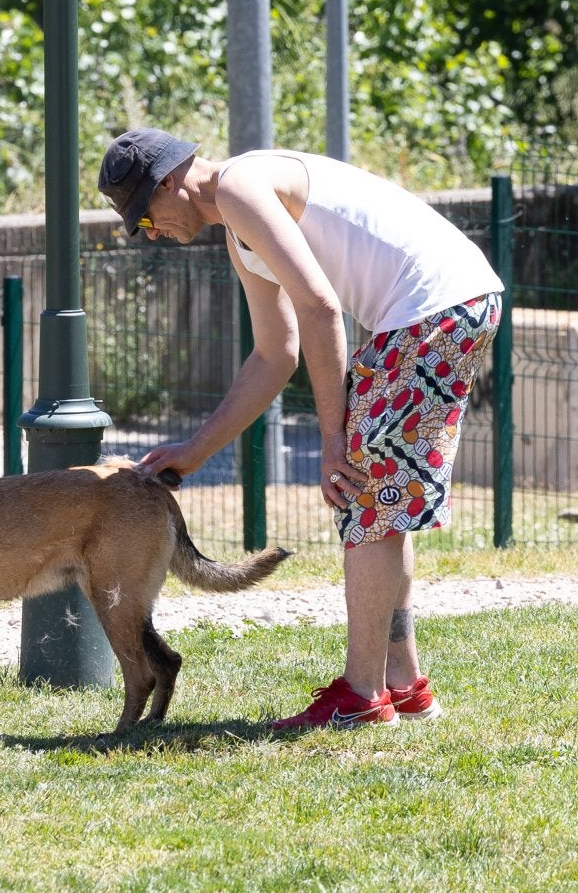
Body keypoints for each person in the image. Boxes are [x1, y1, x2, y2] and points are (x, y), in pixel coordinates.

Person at [97, 127, 504, 730]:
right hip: (446, 305)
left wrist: (334, 439)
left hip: (432, 308)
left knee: (365, 493)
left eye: (145, 216)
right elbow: (275, 353)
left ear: (169, 182)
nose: (150, 232)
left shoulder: (239, 186)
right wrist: (197, 449)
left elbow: (319, 308)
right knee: (378, 499)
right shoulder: (240, 231)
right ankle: (403, 682)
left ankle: (363, 696)